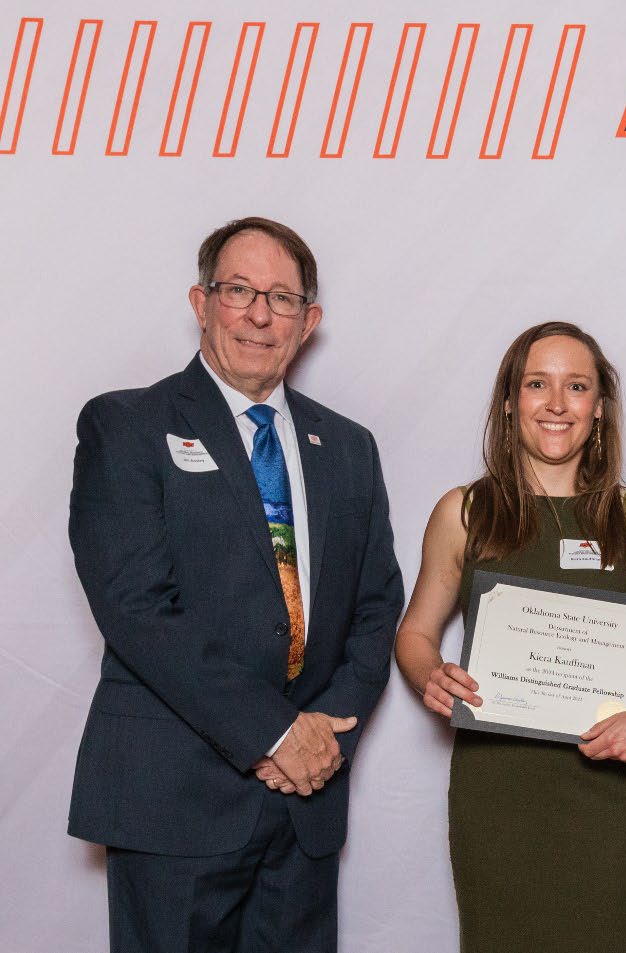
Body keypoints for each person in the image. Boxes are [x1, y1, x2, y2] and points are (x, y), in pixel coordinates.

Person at [67, 217, 404, 953]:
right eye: (239, 290)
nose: (259, 313)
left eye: (282, 298)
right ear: (200, 300)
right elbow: (137, 609)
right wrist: (275, 733)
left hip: (305, 804)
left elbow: (377, 603)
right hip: (173, 801)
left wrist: (323, 733)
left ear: (308, 321)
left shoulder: (347, 446)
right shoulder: (126, 425)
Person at [394, 321, 626, 953]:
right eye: (537, 384)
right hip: (498, 795)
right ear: (510, 400)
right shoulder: (464, 512)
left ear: (599, 407)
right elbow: (415, 633)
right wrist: (431, 674)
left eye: (576, 386)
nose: (557, 404)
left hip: (610, 797)